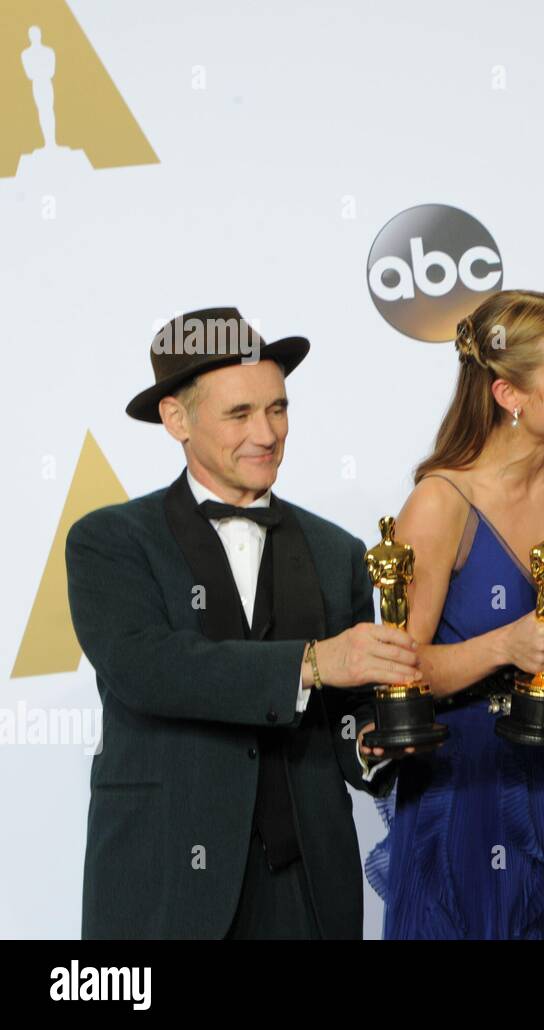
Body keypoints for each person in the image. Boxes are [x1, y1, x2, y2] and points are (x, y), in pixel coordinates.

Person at [66, 307, 417, 939]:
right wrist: (311, 661)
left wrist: (368, 742)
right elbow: (148, 669)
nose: (267, 433)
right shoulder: (110, 541)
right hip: (164, 880)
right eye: (239, 414)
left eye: (278, 409)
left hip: (306, 888)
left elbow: (347, 710)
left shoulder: (338, 553)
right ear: (176, 418)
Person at [363, 289, 544, 939]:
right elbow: (397, 674)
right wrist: (504, 646)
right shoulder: (440, 504)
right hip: (474, 786)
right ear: (508, 395)